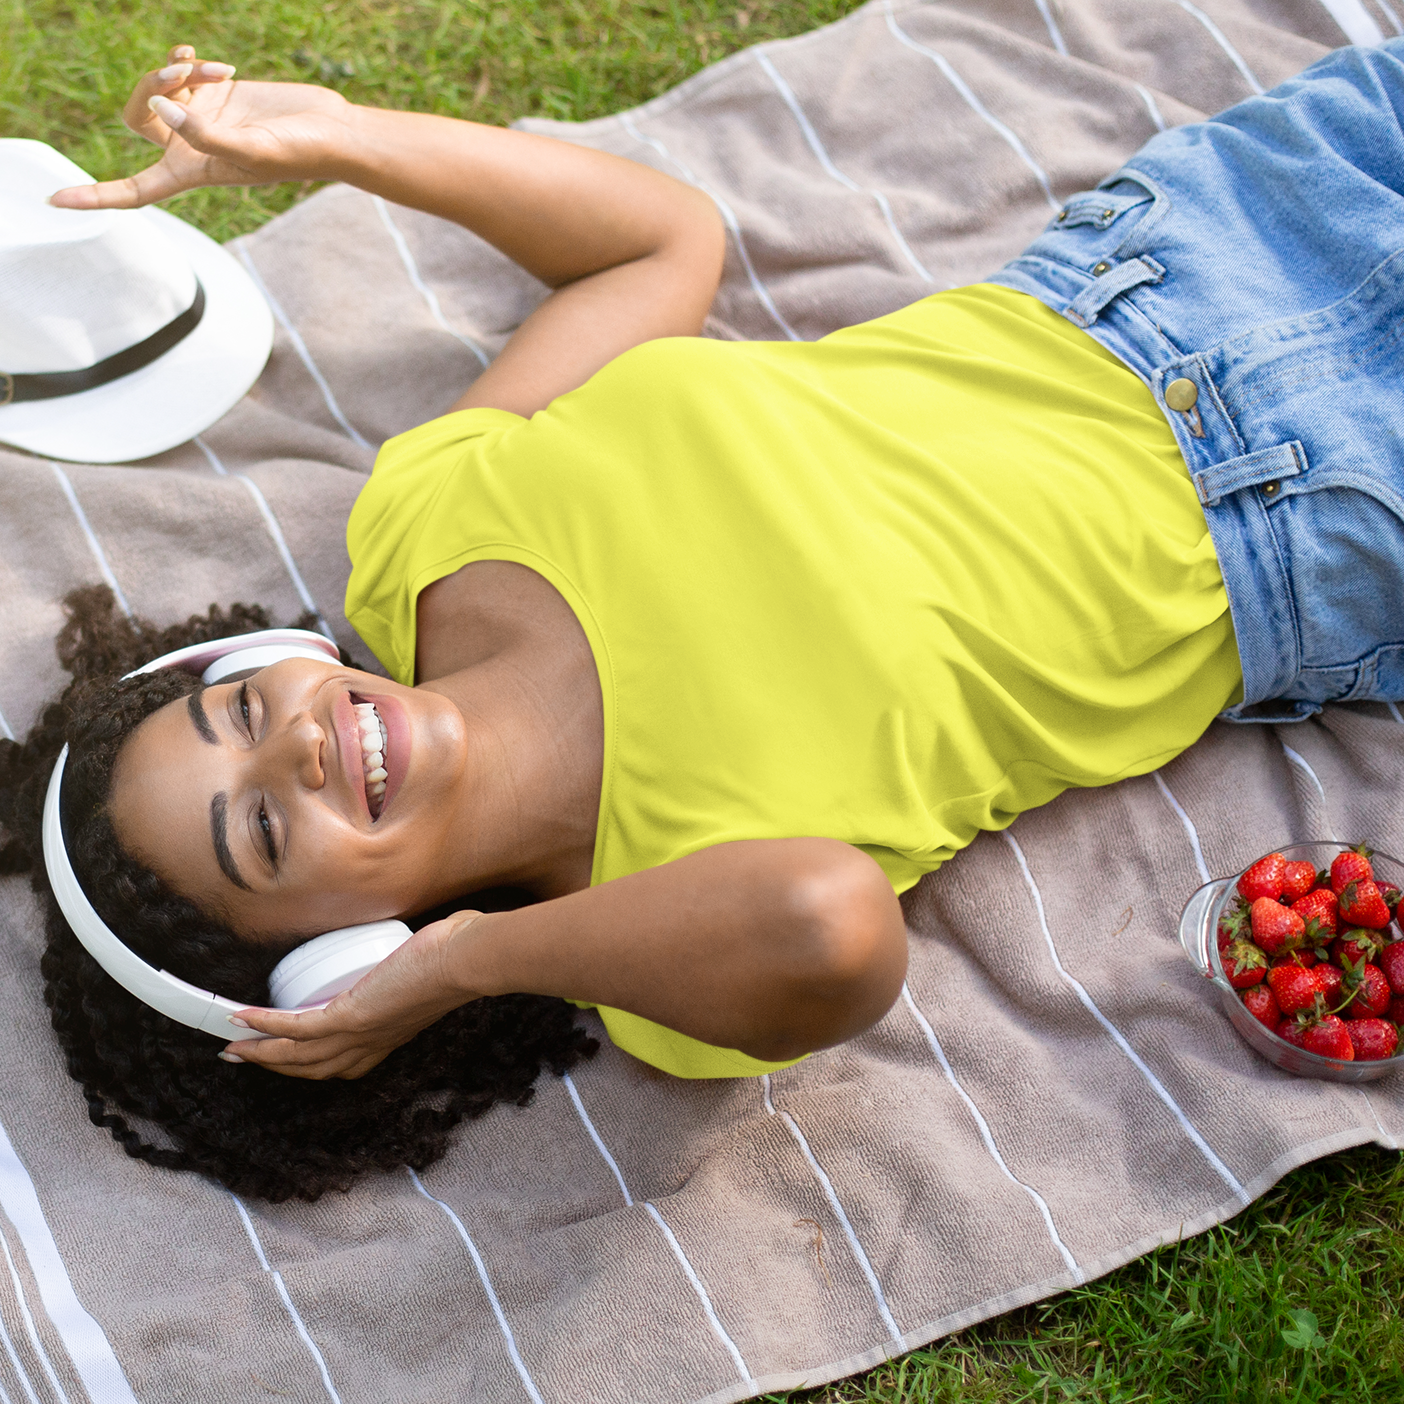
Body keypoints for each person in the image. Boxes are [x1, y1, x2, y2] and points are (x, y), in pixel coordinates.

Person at [3, 37, 1402, 1200]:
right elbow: (833, 925)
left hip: (1196, 244)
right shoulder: (656, 949)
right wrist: (468, 967)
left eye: (239, 710)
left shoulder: (415, 532)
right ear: (328, 965)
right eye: (260, 829)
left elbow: (658, 246)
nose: (293, 749)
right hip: (1325, 522)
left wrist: (343, 137)